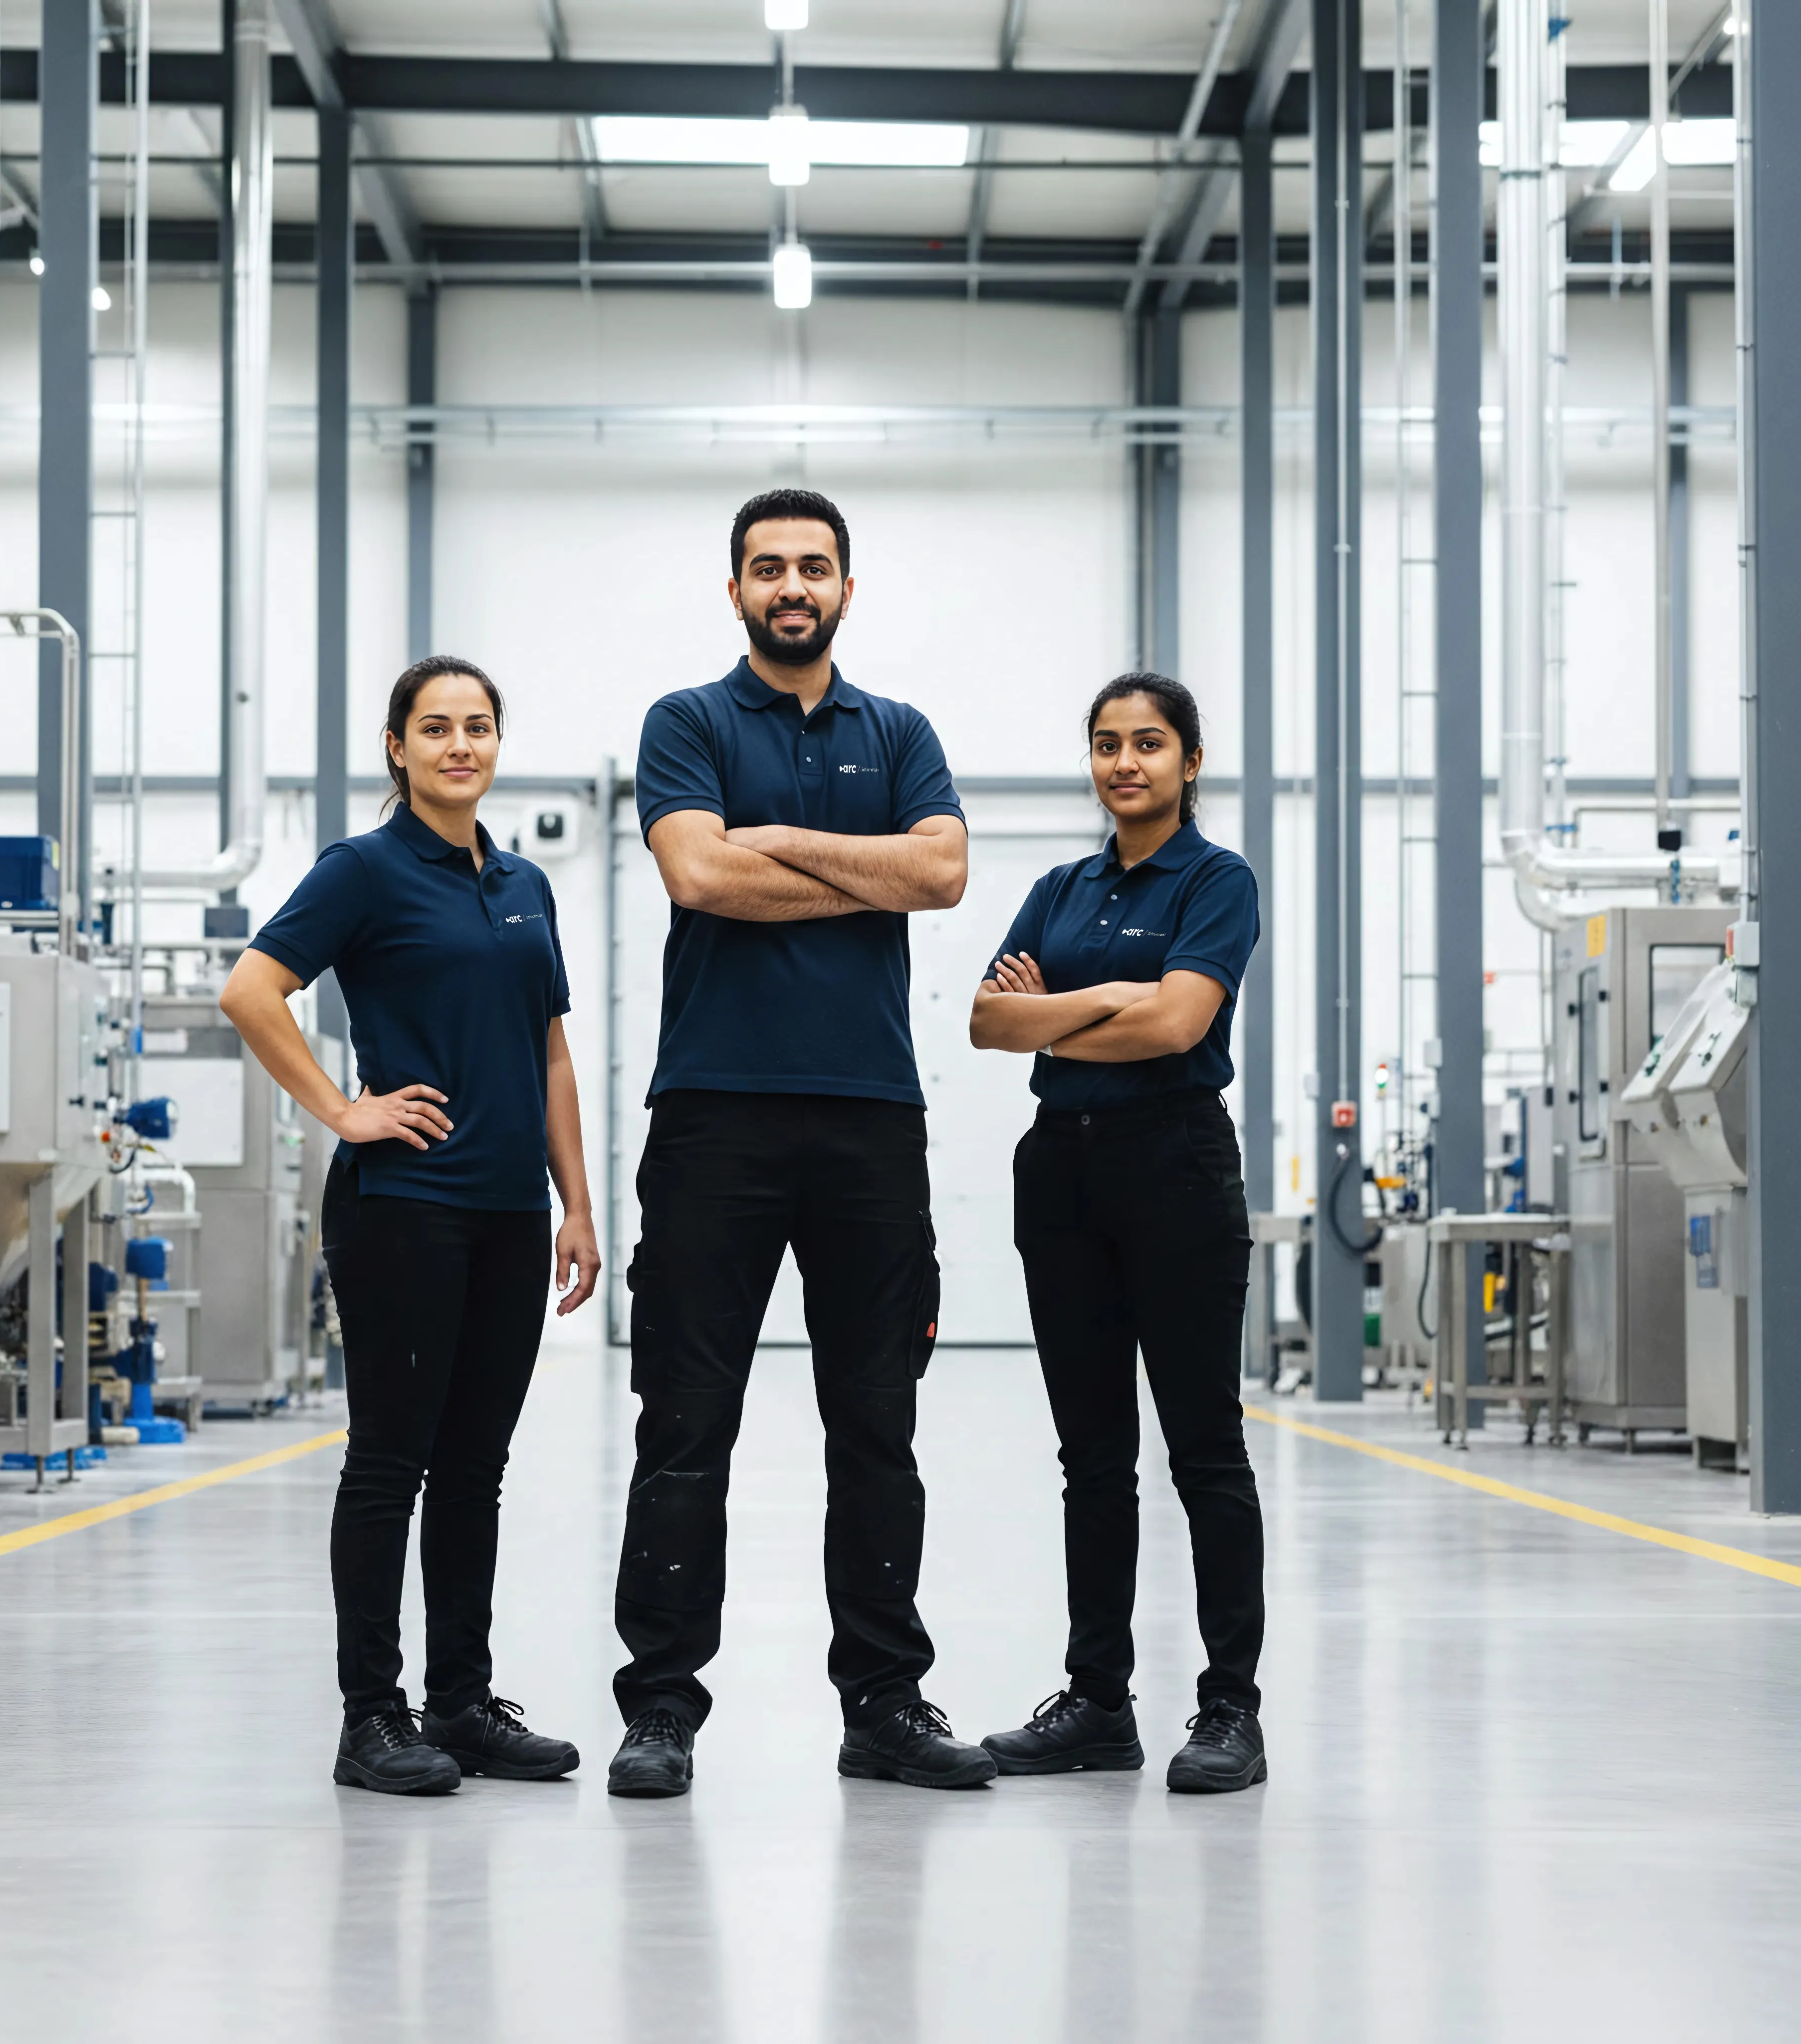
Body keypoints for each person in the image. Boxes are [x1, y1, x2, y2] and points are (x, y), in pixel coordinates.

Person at [605, 487, 996, 1798]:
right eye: (768, 567)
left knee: (877, 1425)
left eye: (813, 567)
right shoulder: (689, 721)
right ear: (735, 592)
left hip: (872, 1116)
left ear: (844, 588)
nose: (791, 586)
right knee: (685, 1424)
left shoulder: (902, 730)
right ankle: (660, 1708)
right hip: (716, 1111)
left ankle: (885, 1702)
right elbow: (699, 878)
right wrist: (855, 861)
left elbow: (943, 877)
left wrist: (771, 838)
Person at [221, 655, 601, 1796]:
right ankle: (371, 1716)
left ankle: (462, 1702)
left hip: (504, 1211)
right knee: (391, 1459)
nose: (458, 746)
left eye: (478, 727)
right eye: (434, 728)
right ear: (397, 747)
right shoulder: (366, 870)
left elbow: (548, 1050)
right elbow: (251, 988)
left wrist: (576, 1201)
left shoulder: (524, 883)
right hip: (403, 1207)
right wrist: (343, 1107)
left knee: (474, 1468)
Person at [968, 672, 1267, 1794]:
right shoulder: (1060, 884)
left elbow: (1181, 1021)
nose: (1123, 762)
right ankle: (1097, 1700)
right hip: (1061, 1173)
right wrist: (1114, 1006)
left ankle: (1228, 1706)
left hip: (1174, 1164)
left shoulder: (1216, 880)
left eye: (1147, 743)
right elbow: (989, 1021)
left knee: (1202, 1447)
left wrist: (1063, 1014)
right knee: (1089, 1455)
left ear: (1190, 762)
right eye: (1105, 744)